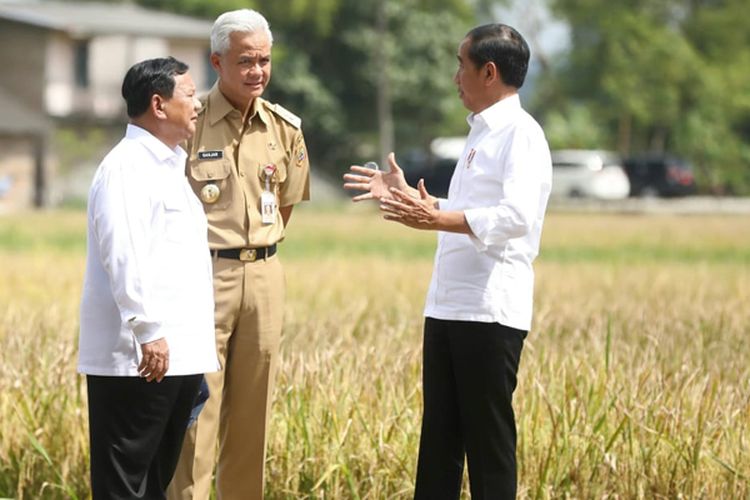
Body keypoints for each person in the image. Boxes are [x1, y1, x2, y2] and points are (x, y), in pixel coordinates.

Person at [343, 24, 552, 499]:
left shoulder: (521, 135)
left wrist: (434, 217)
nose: (456, 76)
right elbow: (465, 211)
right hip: (447, 307)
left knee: (488, 445)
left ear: (489, 71)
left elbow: (516, 217)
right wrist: (407, 197)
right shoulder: (480, 134)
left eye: (462, 64)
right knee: (438, 439)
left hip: (489, 310)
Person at [168, 9, 310, 500]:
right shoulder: (189, 123)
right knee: (197, 410)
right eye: (245, 60)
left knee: (254, 411)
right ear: (217, 61)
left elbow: (285, 204)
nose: (257, 71)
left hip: (266, 274)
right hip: (205, 276)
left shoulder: (284, 128)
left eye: (264, 60)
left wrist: (258, 249)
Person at [78, 57, 219, 500]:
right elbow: (124, 254)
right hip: (140, 357)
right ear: (158, 105)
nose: (198, 105)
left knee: (153, 482)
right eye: (190, 95)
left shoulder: (168, 167)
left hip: (174, 355)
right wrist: (148, 328)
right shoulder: (127, 168)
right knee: (125, 485)